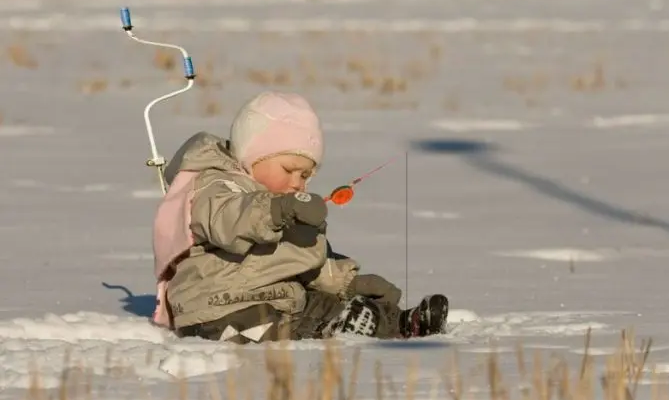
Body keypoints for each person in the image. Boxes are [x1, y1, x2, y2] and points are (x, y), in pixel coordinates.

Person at [150, 90, 448, 344]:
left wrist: (347, 283)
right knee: (306, 319)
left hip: (274, 299)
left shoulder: (280, 208)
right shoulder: (216, 185)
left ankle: (402, 324)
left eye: (305, 175)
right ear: (253, 156)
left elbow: (300, 256)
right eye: (289, 170)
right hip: (217, 310)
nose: (297, 182)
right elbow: (228, 220)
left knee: (326, 304)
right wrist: (275, 209)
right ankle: (343, 327)